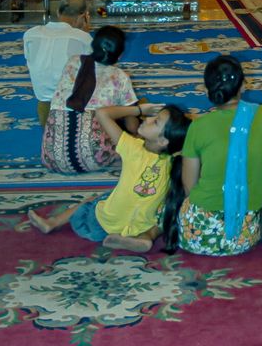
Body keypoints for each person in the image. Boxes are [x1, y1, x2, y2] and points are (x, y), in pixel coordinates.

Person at [178, 55, 262, 262]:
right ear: (243, 85)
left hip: (195, 234)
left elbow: (189, 187)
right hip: (242, 239)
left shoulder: (198, 126)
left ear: (206, 89)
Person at [28, 101, 191, 253]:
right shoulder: (174, 162)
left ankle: (52, 223)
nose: (148, 119)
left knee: (91, 200)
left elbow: (102, 113)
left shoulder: (133, 148)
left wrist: (139, 109)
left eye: (155, 121)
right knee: (164, 210)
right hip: (140, 227)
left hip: (101, 224)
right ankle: (144, 238)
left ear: (163, 141)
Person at [41, 25, 139, 174]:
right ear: (120, 55)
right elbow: (133, 127)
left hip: (51, 158)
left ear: (93, 45)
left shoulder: (72, 62)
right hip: (95, 159)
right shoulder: (120, 77)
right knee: (127, 117)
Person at [23, 0, 92, 126]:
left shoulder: (30, 34)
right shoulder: (83, 38)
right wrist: (85, 32)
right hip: (73, 104)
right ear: (83, 16)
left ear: (57, 12)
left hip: (45, 104)